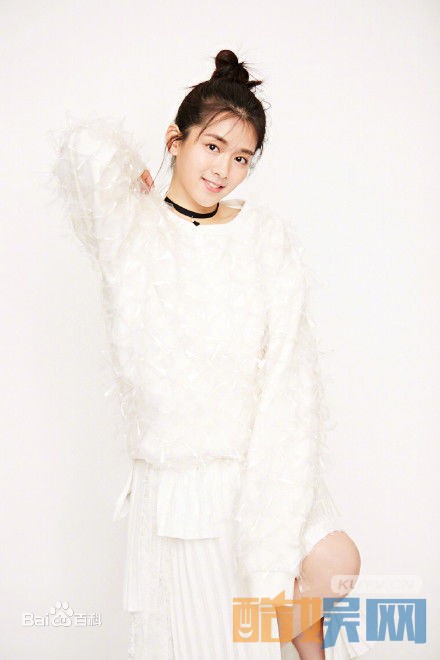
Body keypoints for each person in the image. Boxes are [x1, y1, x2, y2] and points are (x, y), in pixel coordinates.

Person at [51, 49, 375, 659]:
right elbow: (81, 152)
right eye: (213, 145)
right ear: (175, 140)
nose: (224, 168)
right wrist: (126, 171)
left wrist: (278, 491)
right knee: (218, 643)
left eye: (242, 157)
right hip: (181, 484)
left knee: (335, 561)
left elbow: (289, 373)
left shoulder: (264, 237)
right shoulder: (131, 230)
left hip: (258, 464)